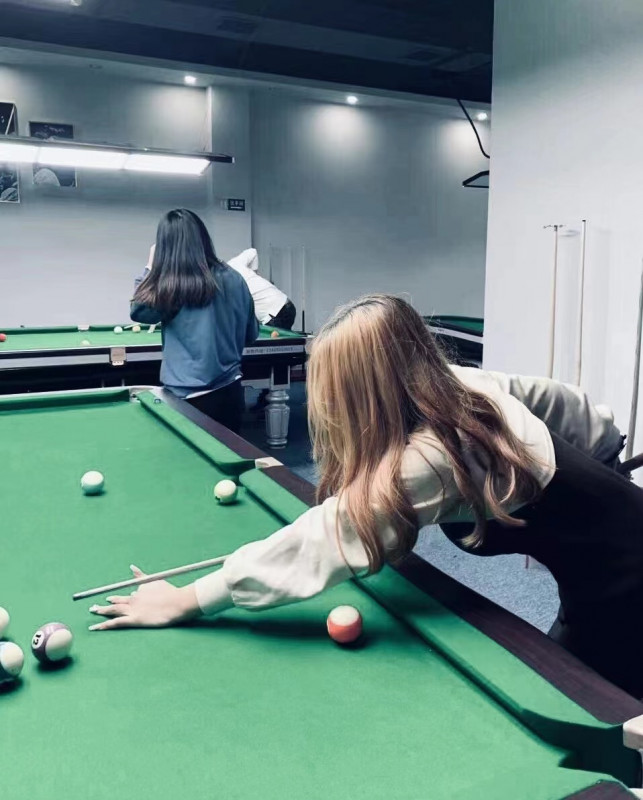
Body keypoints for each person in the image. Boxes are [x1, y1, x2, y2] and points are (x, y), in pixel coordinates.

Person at [92, 294, 643, 698]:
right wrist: (602, 450)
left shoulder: (437, 453)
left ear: (363, 393)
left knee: (584, 704)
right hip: (613, 554)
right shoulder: (457, 386)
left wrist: (188, 600)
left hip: (628, 582)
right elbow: (561, 400)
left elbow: (330, 537)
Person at [130, 209, 259, 433]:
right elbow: (251, 334)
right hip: (230, 392)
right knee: (227, 451)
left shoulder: (172, 286)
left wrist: (150, 267)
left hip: (186, 399)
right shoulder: (236, 279)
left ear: (165, 248)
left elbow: (139, 311)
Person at [228, 248, 297, 331]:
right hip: (286, 304)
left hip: (275, 314)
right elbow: (252, 251)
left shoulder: (224, 286)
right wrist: (254, 274)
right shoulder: (233, 264)